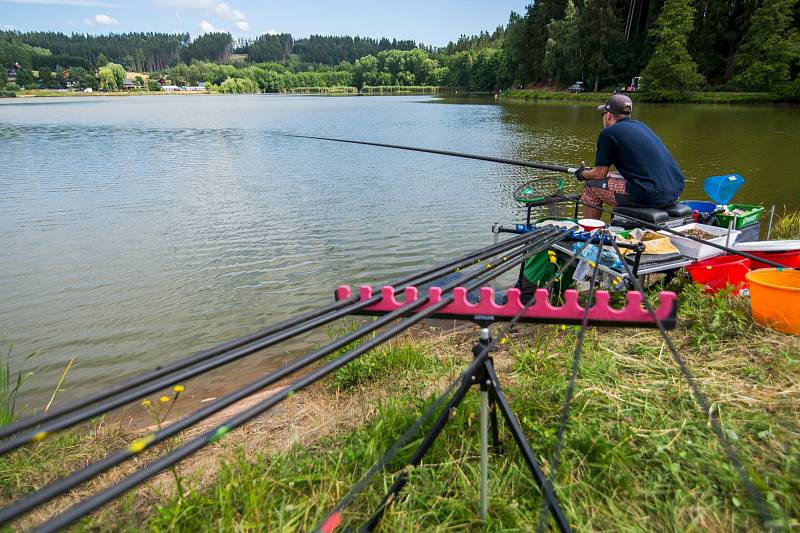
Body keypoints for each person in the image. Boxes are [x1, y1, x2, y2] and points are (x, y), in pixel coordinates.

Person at [575, 94, 685, 219]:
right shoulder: (641, 127)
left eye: (603, 114)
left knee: (591, 187)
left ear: (608, 115)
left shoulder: (608, 133)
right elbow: (638, 167)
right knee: (609, 178)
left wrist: (582, 173)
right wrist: (610, 174)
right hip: (675, 191)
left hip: (648, 193)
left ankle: (589, 232)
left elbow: (599, 174)